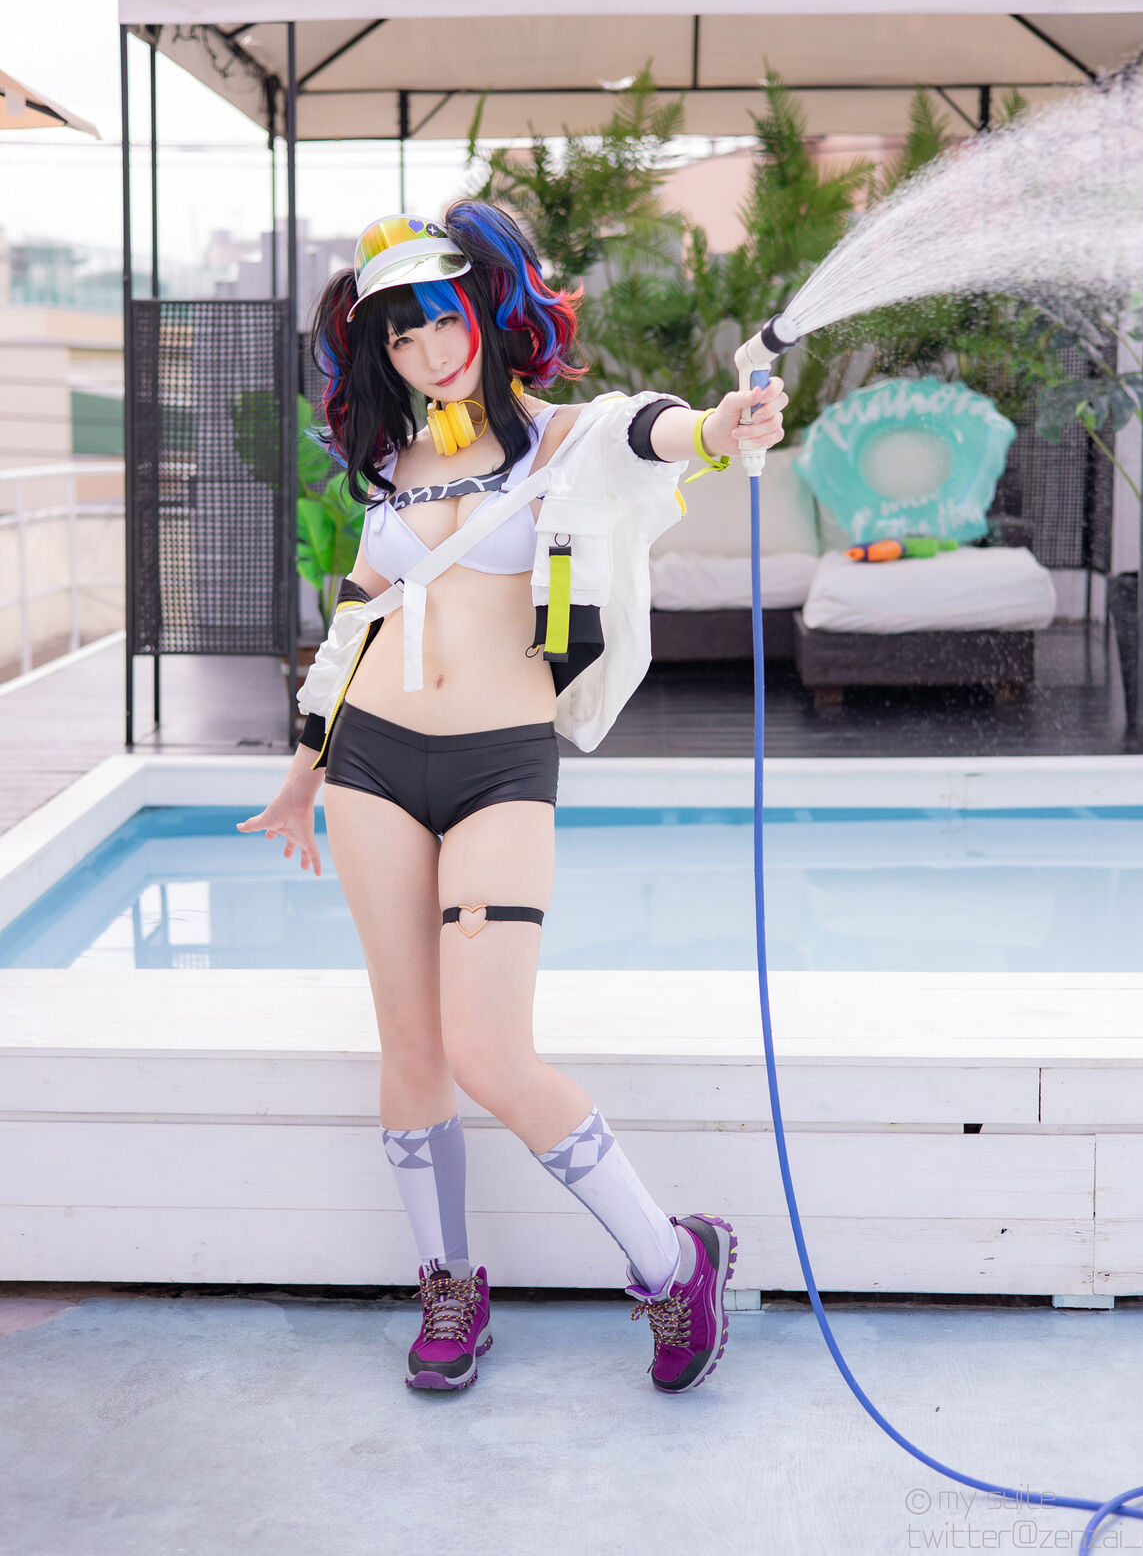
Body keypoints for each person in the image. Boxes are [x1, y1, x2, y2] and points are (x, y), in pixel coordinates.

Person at [238, 200, 786, 1395]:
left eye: (443, 323)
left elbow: (664, 433)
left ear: (484, 315)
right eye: (400, 338)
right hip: (371, 766)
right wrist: (302, 768)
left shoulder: (568, 441)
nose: (428, 352)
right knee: (411, 1042)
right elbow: (358, 613)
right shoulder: (395, 466)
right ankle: (448, 1286)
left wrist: (722, 423)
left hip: (499, 767)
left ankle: (672, 1262)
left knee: (489, 1049)